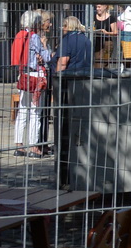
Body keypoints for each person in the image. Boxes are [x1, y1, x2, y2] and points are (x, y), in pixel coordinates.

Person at [55, 14, 94, 188]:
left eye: (63, 26)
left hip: (67, 84)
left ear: (67, 26)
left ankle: (64, 176)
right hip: (85, 83)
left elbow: (63, 63)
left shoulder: (67, 40)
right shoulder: (86, 40)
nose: (62, 29)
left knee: (65, 127)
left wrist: (56, 77)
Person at [13, 10, 53, 156]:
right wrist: (44, 45)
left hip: (23, 74)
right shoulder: (34, 37)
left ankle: (18, 145)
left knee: (22, 110)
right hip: (36, 76)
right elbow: (46, 57)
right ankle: (33, 146)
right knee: (36, 112)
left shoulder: (20, 35)